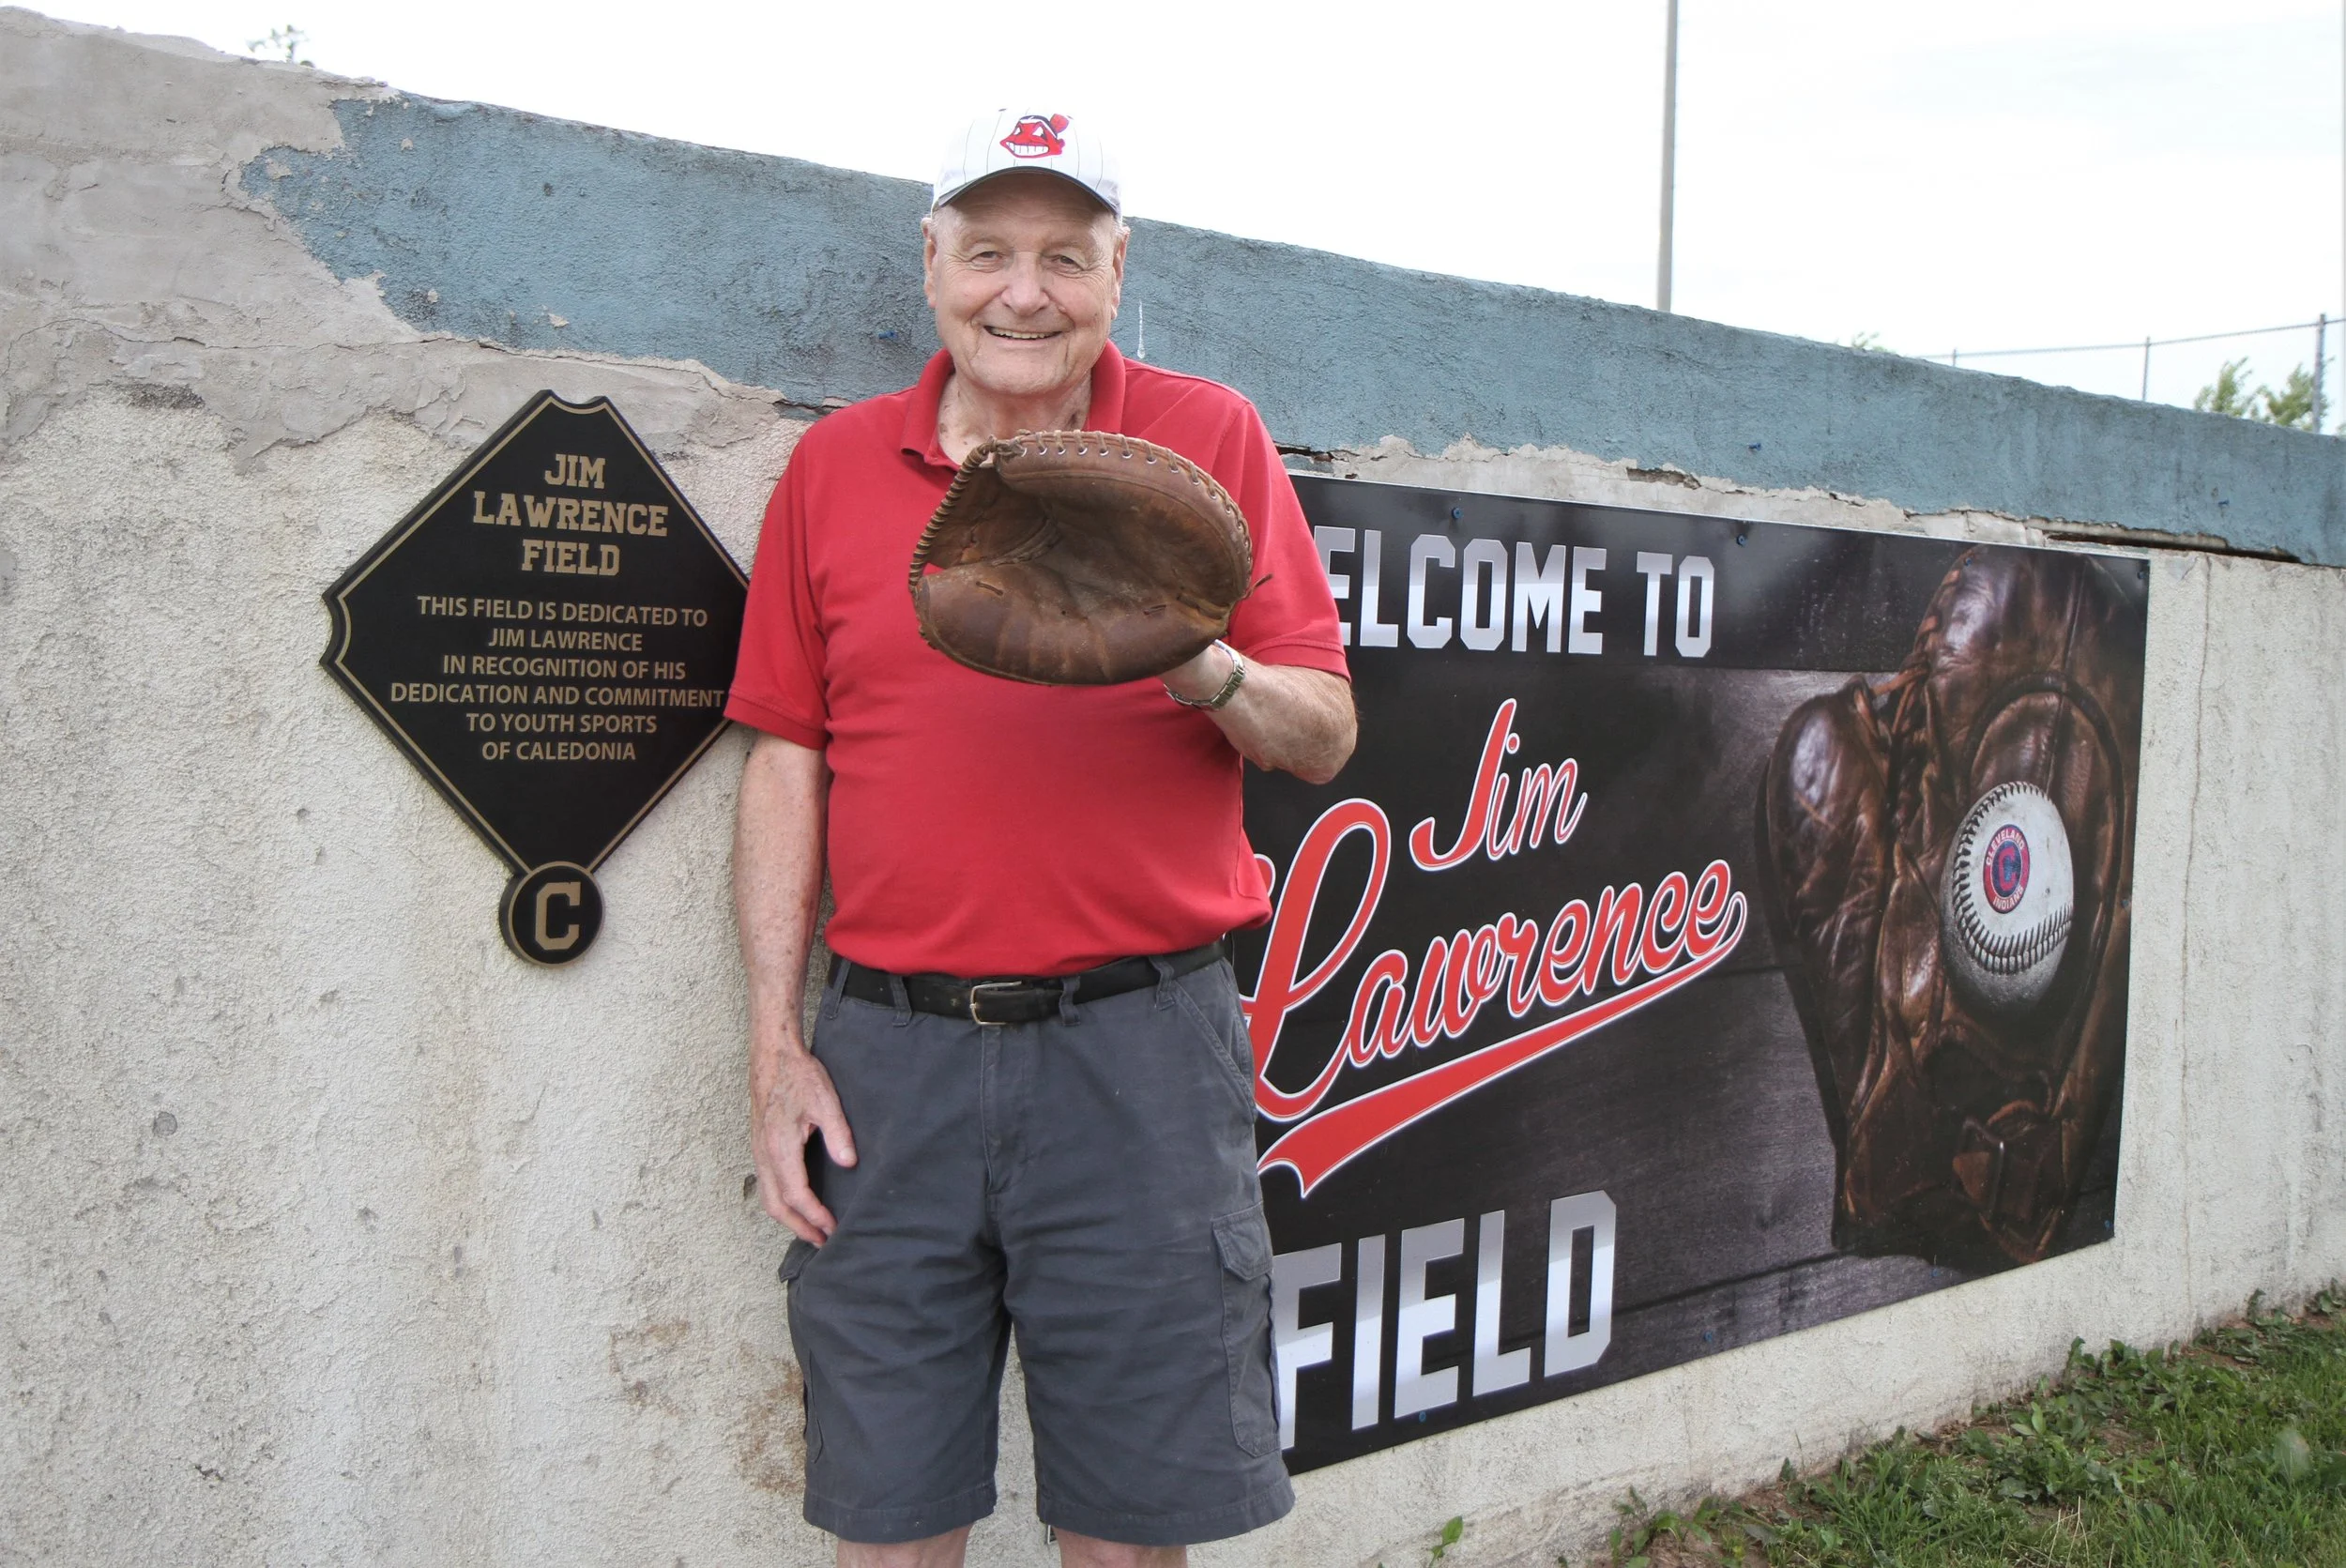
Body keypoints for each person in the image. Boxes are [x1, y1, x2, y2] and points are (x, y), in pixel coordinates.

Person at [726, 109, 1356, 1568]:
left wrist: (1191, 658)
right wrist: (775, 1046)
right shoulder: (832, 467)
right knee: (886, 1523)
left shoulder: (1206, 440)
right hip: (887, 1060)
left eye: (1065, 256)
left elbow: (1321, 732)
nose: (1025, 291)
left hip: (1138, 1049)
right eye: (991, 250)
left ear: (1118, 271)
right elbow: (784, 758)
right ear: (931, 262)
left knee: (1135, 1528)